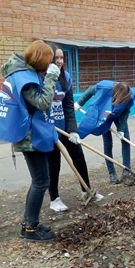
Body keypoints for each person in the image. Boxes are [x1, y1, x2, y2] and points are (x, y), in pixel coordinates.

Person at [0, 40, 58, 242]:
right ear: (41, 59)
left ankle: (29, 225)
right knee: (41, 182)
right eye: (50, 60)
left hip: (32, 135)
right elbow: (43, 103)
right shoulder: (24, 77)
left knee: (40, 180)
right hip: (30, 137)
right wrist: (52, 77)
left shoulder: (22, 73)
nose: (51, 63)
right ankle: (29, 228)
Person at [46, 44, 103, 212]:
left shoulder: (66, 78)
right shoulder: (43, 78)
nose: (59, 61)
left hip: (64, 127)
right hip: (49, 130)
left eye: (62, 57)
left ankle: (86, 190)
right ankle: (54, 198)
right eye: (56, 58)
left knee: (78, 157)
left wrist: (73, 130)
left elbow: (69, 106)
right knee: (53, 164)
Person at [74, 80, 135, 185]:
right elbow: (89, 91)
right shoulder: (104, 88)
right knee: (107, 142)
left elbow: (125, 112)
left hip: (118, 114)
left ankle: (127, 170)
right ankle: (112, 173)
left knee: (126, 139)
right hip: (104, 112)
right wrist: (79, 103)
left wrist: (120, 129)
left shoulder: (130, 95)